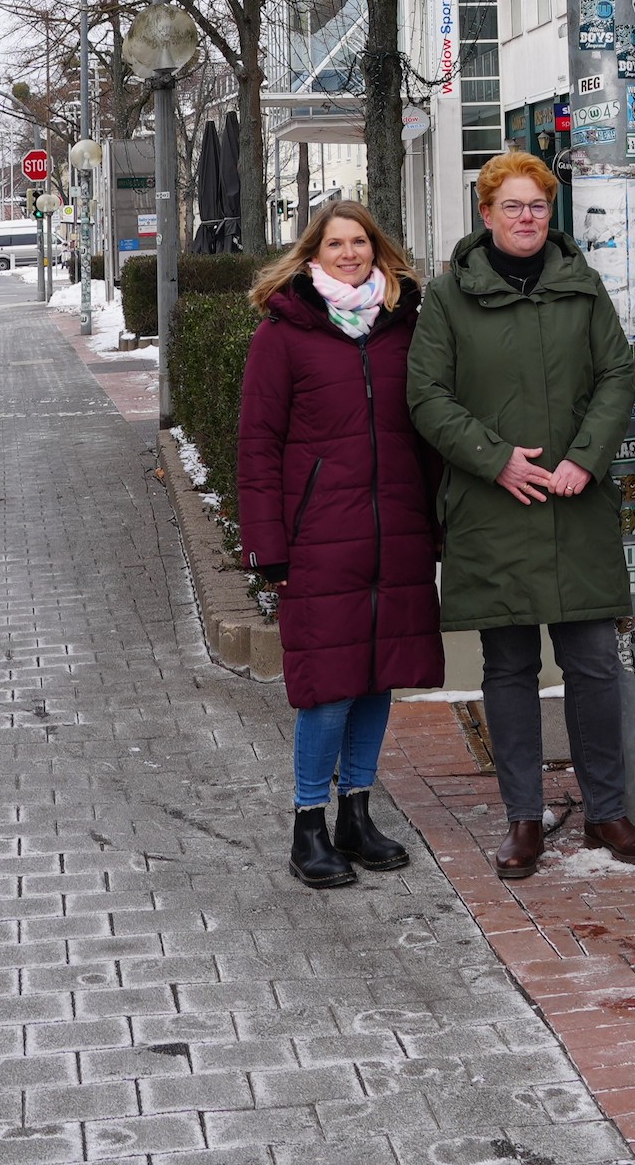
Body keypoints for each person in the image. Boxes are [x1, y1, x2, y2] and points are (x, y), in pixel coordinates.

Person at [406, 149, 635, 879]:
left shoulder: (582, 286)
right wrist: (497, 460)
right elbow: (426, 395)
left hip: (576, 504)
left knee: (593, 664)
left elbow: (617, 373)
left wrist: (585, 457)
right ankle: (523, 818)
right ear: (485, 214)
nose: (527, 218)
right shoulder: (448, 297)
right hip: (495, 507)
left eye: (539, 205)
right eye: (512, 206)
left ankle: (606, 810)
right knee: (509, 666)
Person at [237, 200, 444, 891]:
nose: (350, 253)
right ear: (313, 255)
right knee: (327, 687)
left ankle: (356, 814)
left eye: (360, 242)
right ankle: (308, 825)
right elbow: (257, 447)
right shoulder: (283, 334)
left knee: (378, 677)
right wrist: (268, 547)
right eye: (336, 244)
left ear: (377, 251)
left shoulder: (405, 327)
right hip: (320, 538)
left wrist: (436, 524)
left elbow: (427, 430)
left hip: (397, 533)